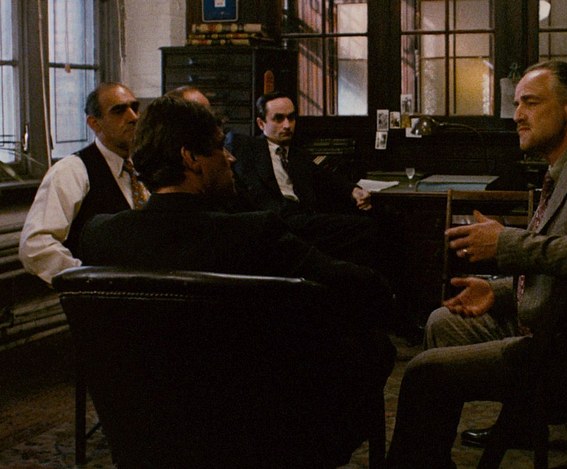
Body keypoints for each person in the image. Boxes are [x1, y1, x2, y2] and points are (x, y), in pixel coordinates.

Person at [78, 95, 396, 468]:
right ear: (190, 158)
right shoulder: (253, 233)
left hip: (147, 430)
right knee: (374, 347)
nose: (230, 158)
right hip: (256, 431)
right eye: (219, 148)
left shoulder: (99, 236)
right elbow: (366, 291)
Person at [385, 60, 567, 468]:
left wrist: (505, 242)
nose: (518, 115)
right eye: (516, 104)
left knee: (422, 372)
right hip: (551, 323)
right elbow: (563, 268)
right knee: (442, 322)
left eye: (530, 103)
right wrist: (500, 291)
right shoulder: (566, 163)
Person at [225, 91, 381, 269]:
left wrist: (354, 190)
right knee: (365, 229)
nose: (287, 125)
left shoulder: (298, 155)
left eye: (291, 118)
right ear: (261, 123)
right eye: (279, 119)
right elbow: (222, 148)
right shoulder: (245, 148)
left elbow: (327, 178)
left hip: (301, 220)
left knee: (370, 225)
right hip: (272, 222)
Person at [19, 82, 146, 285]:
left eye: (135, 107)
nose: (133, 117)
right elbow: (35, 246)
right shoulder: (72, 171)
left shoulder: (145, 167)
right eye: (119, 111)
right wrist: (87, 280)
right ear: (94, 123)